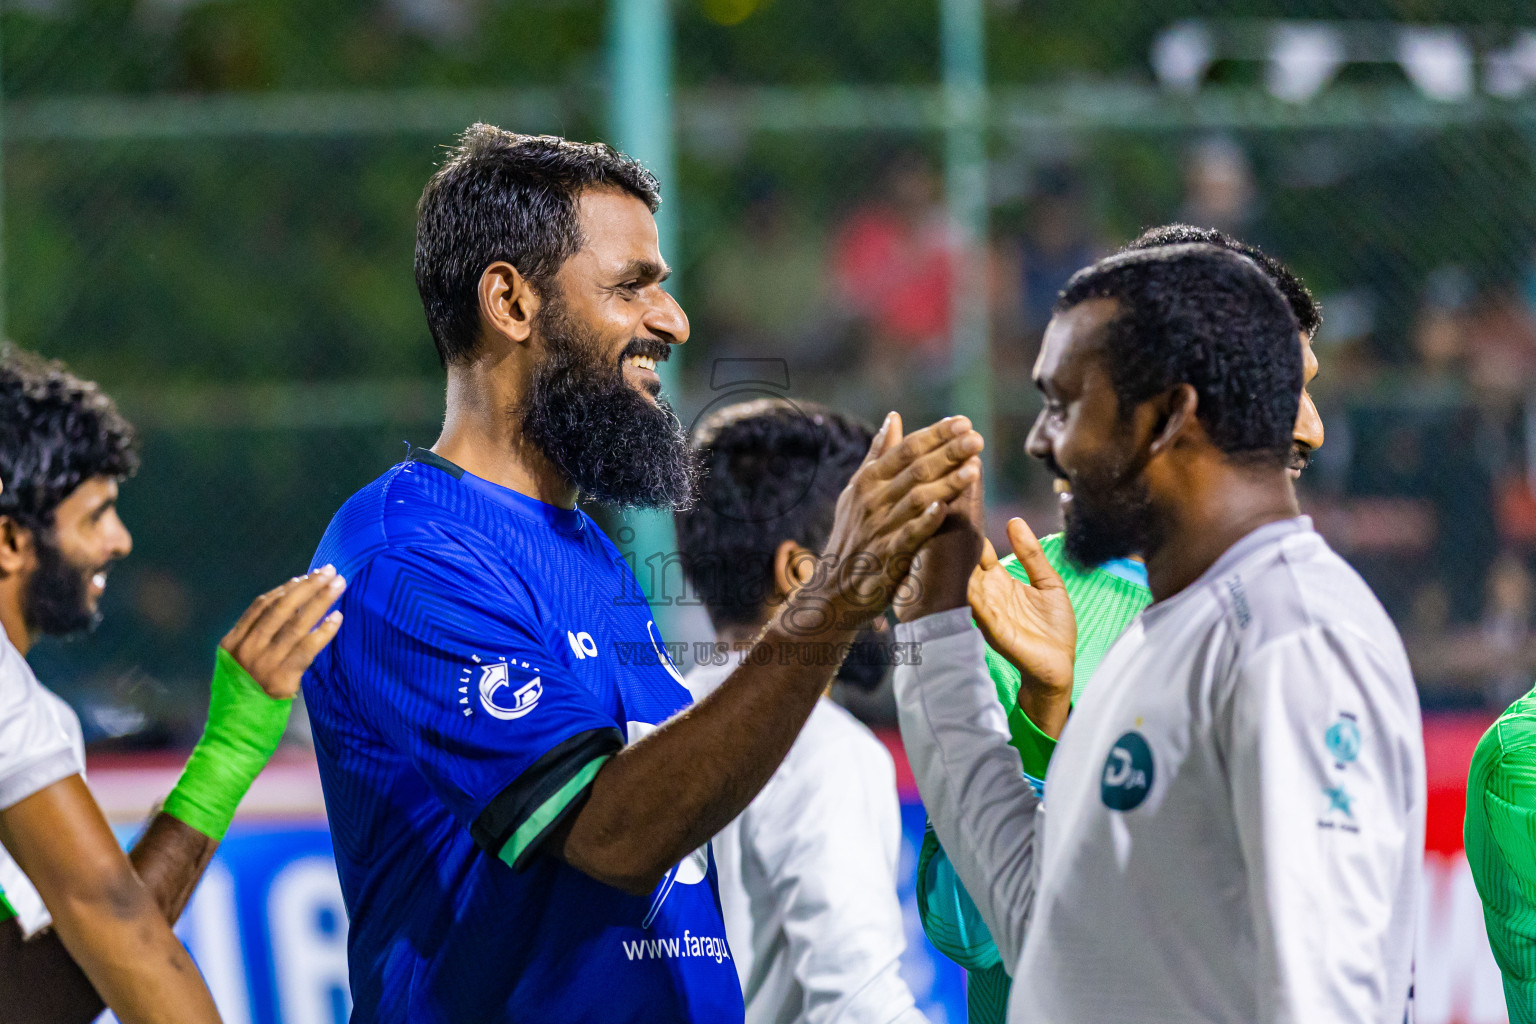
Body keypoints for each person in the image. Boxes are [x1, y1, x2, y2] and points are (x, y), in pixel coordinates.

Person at [301, 125, 984, 1024]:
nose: (674, 319)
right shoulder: (412, 555)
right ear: (510, 301)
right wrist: (835, 598)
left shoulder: (583, 547)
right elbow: (612, 833)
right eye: (633, 286)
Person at [895, 243, 1424, 1023]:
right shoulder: (1165, 636)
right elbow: (1039, 920)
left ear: (1168, 415)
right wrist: (932, 636)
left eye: (1065, 403)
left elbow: (1325, 994)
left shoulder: (1296, 640)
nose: (1043, 442)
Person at [0, 348, 345, 1023]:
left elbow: (26, 1001)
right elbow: (110, 916)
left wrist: (223, 760)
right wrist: (234, 747)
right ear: (10, 541)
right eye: (95, 514)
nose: (120, 540)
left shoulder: (39, 710)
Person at [675, 399, 930, 1024]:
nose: (897, 583)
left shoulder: (654, 723)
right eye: (878, 547)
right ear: (801, 573)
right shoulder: (821, 750)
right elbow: (860, 1004)